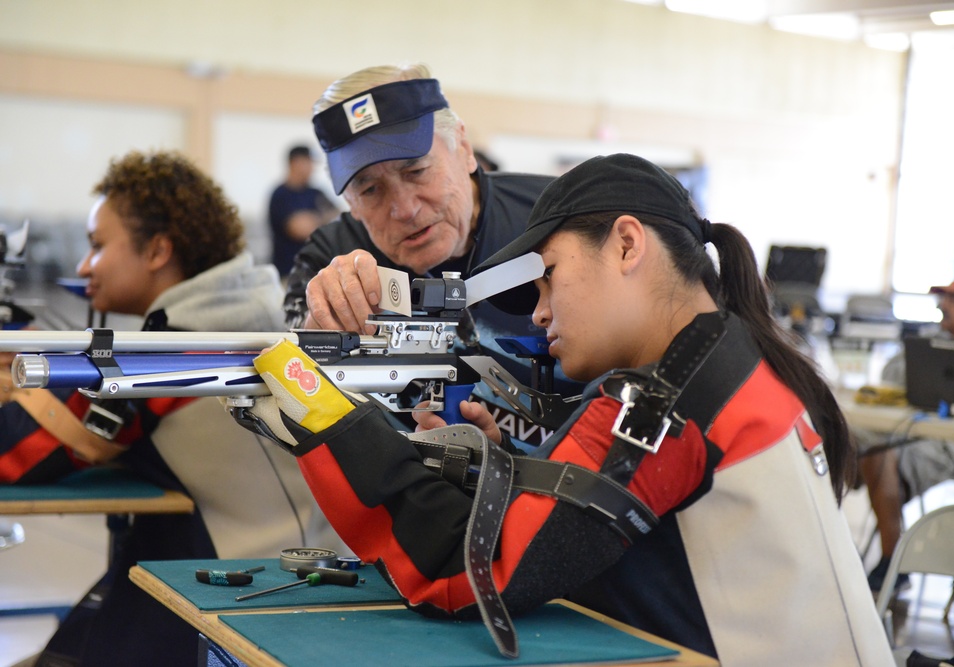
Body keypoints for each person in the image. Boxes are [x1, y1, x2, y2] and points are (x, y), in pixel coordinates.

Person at [242, 153, 893, 665]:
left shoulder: (660, 405)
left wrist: (320, 409)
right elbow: (611, 521)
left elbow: (464, 571)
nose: (538, 310)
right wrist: (499, 463)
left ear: (626, 245)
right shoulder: (735, 357)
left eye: (549, 274)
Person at [0, 151, 345, 667]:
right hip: (276, 576)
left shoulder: (180, 350)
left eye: (97, 247)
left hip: (236, 601)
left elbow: (17, 448)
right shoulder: (239, 312)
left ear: (159, 249)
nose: (82, 266)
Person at [283, 63, 579, 447]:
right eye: (370, 190)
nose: (403, 208)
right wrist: (321, 322)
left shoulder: (561, 218)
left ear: (465, 149)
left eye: (417, 170)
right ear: (350, 202)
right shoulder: (329, 258)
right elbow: (288, 374)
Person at [859, 270, 954, 594]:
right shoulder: (932, 336)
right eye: (942, 297)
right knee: (844, 444)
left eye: (953, 298)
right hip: (910, 432)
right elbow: (890, 375)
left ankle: (893, 560)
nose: (943, 305)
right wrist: (930, 349)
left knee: (877, 456)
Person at [267, 144, 337, 278]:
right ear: (294, 163)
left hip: (317, 271)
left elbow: (338, 218)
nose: (312, 168)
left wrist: (313, 219)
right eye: (308, 162)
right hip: (288, 272)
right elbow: (299, 229)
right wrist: (323, 219)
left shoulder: (316, 192)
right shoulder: (280, 195)